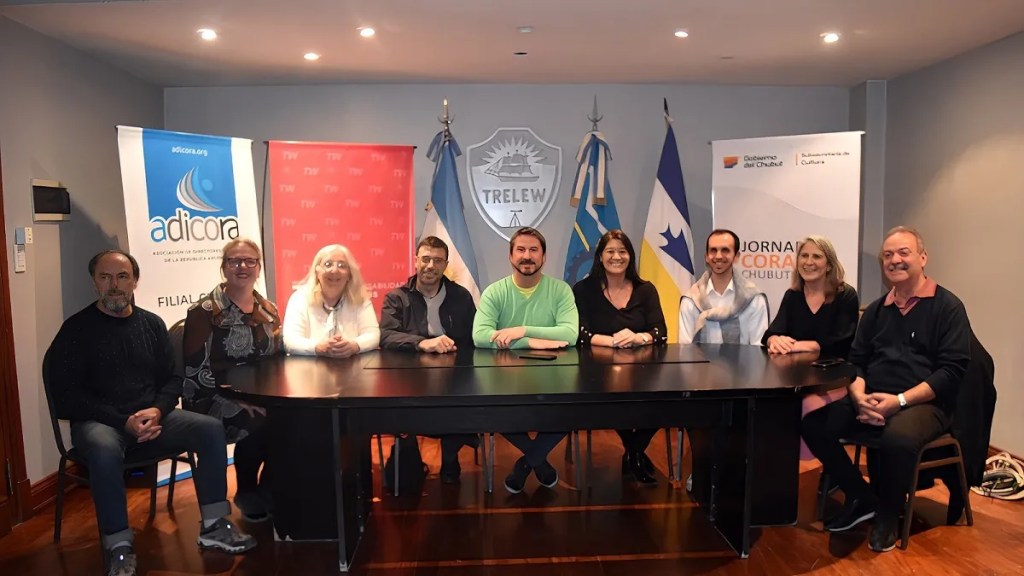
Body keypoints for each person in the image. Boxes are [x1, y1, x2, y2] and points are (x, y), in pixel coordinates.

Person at [48, 250, 255, 576]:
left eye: (122, 277)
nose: (114, 285)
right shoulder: (75, 331)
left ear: (135, 281)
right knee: (103, 449)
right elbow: (67, 398)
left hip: (153, 417)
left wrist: (157, 411)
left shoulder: (151, 324)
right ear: (94, 282)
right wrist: (123, 422)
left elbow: (172, 380)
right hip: (101, 423)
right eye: (105, 277)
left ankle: (214, 525)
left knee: (209, 429)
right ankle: (118, 546)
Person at [802, 226, 971, 553]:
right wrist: (859, 397)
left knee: (897, 437)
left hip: (925, 403)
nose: (894, 260)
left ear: (923, 257)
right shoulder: (877, 310)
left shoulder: (948, 307)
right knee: (814, 424)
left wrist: (900, 401)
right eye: (888, 255)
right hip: (872, 398)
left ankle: (888, 515)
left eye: (903, 253)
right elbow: (857, 361)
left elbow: (951, 372)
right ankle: (861, 497)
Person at [472, 227, 578, 493]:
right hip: (506, 380)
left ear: (544, 256)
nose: (527, 256)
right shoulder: (495, 292)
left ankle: (527, 462)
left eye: (533, 250)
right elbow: (480, 336)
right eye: (520, 250)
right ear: (510, 256)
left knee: (572, 410)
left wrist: (521, 330)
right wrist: (530, 341)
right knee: (494, 413)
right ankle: (538, 460)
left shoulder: (561, 290)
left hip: (553, 380)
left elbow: (569, 334)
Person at [182, 238, 281, 522]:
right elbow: (195, 371)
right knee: (258, 421)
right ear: (224, 267)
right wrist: (235, 399)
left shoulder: (269, 309)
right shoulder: (204, 312)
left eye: (250, 261)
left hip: (259, 394)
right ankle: (247, 492)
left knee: (293, 419)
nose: (242, 266)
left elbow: (277, 359)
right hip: (211, 396)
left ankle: (270, 489)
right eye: (234, 261)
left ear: (258, 267)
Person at [380, 236, 478, 483]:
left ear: (445, 265)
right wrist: (421, 343)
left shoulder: (461, 296)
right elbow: (386, 335)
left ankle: (450, 456)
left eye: (437, 260)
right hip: (410, 375)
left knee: (461, 398)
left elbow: (474, 336)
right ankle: (408, 458)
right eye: (425, 259)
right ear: (416, 261)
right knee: (403, 404)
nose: (430, 266)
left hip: (454, 375)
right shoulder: (397, 297)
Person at [573, 229, 667, 486]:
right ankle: (636, 454)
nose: (617, 257)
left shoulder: (646, 290)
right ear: (600, 257)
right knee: (613, 401)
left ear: (630, 256)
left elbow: (660, 332)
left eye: (622, 251)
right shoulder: (584, 290)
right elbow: (580, 333)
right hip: (597, 371)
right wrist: (614, 341)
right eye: (610, 251)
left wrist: (638, 337)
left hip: (643, 369)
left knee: (665, 401)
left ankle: (633, 451)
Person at [762, 235, 860, 459]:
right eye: (804, 256)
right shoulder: (793, 295)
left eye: (817, 256)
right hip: (795, 381)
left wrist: (804, 346)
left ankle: (812, 470)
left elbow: (842, 341)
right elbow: (772, 332)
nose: (809, 262)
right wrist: (773, 339)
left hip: (834, 380)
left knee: (805, 410)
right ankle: (783, 471)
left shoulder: (845, 295)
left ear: (829, 265)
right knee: (768, 410)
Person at [283, 244, 380, 356]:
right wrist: (317, 347)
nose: (334, 271)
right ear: (317, 271)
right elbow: (290, 341)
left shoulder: (360, 299)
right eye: (328, 264)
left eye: (341, 266)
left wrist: (354, 345)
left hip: (352, 364)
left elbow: (373, 335)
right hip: (310, 365)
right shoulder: (299, 298)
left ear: (349, 274)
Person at [679, 229, 769, 345]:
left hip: (745, 358)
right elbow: (685, 349)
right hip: (699, 358)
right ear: (706, 257)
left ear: (736, 256)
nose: (718, 256)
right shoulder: (691, 300)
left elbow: (758, 348)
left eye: (725, 250)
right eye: (713, 250)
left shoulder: (754, 299)